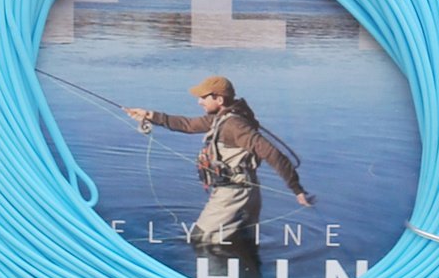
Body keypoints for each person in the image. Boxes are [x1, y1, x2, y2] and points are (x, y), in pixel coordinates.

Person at [124, 75, 312, 247]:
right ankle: (245, 272)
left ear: (219, 100)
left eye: (203, 97)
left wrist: (296, 189)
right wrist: (149, 115)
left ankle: (215, 274)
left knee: (200, 239)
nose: (199, 102)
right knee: (242, 243)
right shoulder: (222, 118)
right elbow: (188, 125)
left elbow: (272, 153)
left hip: (233, 194)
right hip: (246, 191)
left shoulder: (234, 125)